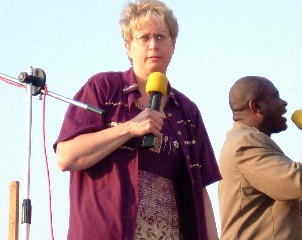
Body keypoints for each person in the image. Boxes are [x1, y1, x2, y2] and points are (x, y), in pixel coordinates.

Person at [53, 0, 221, 239]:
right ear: (128, 47)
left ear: (174, 45)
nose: (154, 46)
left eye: (162, 37)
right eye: (143, 38)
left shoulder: (187, 111)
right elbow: (66, 157)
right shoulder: (103, 88)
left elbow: (200, 191)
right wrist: (130, 128)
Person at [218, 76, 302, 240]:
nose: (284, 103)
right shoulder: (245, 142)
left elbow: (298, 211)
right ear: (256, 106)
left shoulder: (254, 142)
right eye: (276, 96)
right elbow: (299, 183)